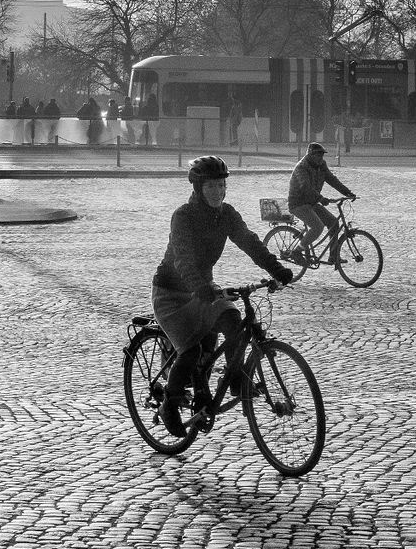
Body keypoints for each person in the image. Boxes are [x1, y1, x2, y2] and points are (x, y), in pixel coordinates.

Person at [151, 155, 294, 437]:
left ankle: (235, 379)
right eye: (212, 186)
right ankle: (169, 403)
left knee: (233, 320)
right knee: (191, 351)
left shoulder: (226, 214)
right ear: (198, 188)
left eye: (222, 186)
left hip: (204, 289)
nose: (218, 192)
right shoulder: (183, 216)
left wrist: (277, 269)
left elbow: (250, 242)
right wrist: (200, 286)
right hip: (171, 294)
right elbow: (182, 258)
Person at [288, 141, 357, 264]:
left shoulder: (321, 165)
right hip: (298, 204)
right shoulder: (301, 167)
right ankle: (297, 251)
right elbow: (306, 188)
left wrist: (347, 192)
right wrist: (320, 198)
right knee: (317, 227)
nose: (320, 158)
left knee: (333, 223)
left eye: (322, 155)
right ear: (310, 155)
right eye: (318, 155)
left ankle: (333, 256)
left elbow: (332, 180)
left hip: (312, 203)